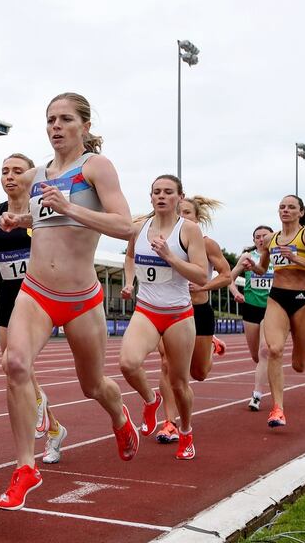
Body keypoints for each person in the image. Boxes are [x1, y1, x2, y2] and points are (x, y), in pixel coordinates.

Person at [0, 92, 134, 510]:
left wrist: (71, 208)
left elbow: (125, 225)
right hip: (36, 292)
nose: (56, 126)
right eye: (50, 119)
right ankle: (25, 466)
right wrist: (22, 219)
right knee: (15, 363)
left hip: (81, 298)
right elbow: (44, 219)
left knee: (93, 385)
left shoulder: (96, 167)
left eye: (65, 119)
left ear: (85, 127)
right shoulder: (37, 174)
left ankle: (120, 417)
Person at [0, 153, 68, 465]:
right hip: (8, 296)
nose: (10, 177)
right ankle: (54, 428)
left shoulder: (44, 211)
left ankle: (40, 405)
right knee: (12, 366)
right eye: (4, 171)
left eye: (17, 171)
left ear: (31, 176)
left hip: (37, 296)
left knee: (17, 362)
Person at [119, 175, 208, 460]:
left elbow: (201, 275)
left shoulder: (189, 230)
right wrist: (130, 281)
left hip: (178, 315)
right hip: (146, 309)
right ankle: (151, 399)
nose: (161, 196)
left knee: (180, 384)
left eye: (168, 192)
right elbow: (130, 257)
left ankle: (186, 432)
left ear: (179, 197)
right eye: (156, 191)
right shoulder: (139, 227)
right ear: (150, 197)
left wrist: (170, 256)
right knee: (128, 363)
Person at [248, 195, 305, 427]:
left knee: (299, 365)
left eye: (291, 207)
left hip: (303, 299)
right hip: (277, 297)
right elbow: (262, 269)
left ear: (301, 212)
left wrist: (296, 259)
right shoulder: (271, 239)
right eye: (282, 207)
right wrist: (252, 266)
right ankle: (277, 409)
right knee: (273, 349)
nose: (285, 210)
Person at [154, 195, 231, 442]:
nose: (182, 216)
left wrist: (203, 287)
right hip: (169, 310)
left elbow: (226, 275)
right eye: (179, 212)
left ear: (197, 219)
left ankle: (209, 345)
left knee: (198, 373)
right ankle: (169, 423)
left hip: (198, 312)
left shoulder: (207, 244)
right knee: (167, 364)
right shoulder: (158, 241)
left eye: (187, 213)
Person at [229, 225, 275, 411]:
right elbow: (229, 278)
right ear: (254, 239)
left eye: (265, 236)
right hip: (250, 308)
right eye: (258, 236)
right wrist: (235, 293)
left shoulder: (277, 256)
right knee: (257, 356)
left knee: (265, 351)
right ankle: (270, 370)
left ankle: (256, 396)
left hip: (272, 308)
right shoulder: (247, 257)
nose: (261, 239)